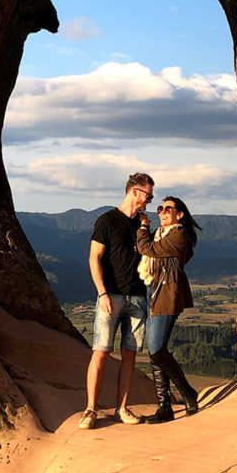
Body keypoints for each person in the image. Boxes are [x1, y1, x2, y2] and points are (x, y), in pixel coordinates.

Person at [78, 172, 155, 430]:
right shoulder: (107, 220)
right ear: (134, 192)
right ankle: (91, 410)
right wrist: (102, 293)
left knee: (130, 355)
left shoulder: (142, 225)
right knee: (100, 352)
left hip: (137, 297)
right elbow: (94, 258)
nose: (149, 201)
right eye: (148, 195)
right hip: (110, 296)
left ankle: (121, 409)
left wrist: (145, 228)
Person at [136, 195, 201, 423]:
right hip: (154, 290)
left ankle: (188, 393)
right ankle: (164, 407)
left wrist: (143, 227)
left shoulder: (178, 234)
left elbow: (145, 248)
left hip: (166, 294)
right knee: (155, 353)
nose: (162, 212)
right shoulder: (164, 234)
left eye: (168, 209)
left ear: (179, 214)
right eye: (161, 208)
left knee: (156, 349)